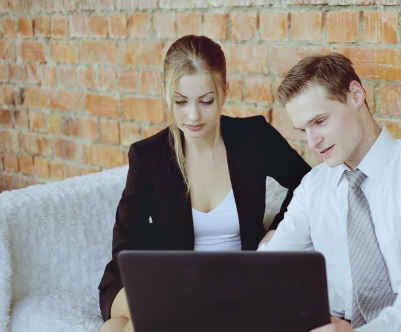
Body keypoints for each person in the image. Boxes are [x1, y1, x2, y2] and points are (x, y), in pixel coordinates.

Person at [97, 35, 311, 332]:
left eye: (206, 101)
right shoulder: (148, 155)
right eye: (181, 102)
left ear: (224, 91)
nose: (193, 116)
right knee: (161, 313)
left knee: (123, 325)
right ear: (166, 94)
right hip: (155, 282)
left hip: (230, 282)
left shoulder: (254, 137)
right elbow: (125, 243)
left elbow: (307, 182)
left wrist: (278, 227)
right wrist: (164, 284)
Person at [258, 53, 401, 332]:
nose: (312, 142)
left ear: (355, 94)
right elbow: (270, 268)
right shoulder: (314, 185)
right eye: (303, 130)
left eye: (320, 122)